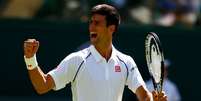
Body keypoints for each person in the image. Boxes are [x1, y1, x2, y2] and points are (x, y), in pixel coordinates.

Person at [23, 4, 167, 101]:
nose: (91, 27)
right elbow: (42, 86)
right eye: (91, 22)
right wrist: (30, 59)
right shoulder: (77, 60)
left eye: (97, 23)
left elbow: (144, 96)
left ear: (111, 28)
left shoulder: (126, 62)